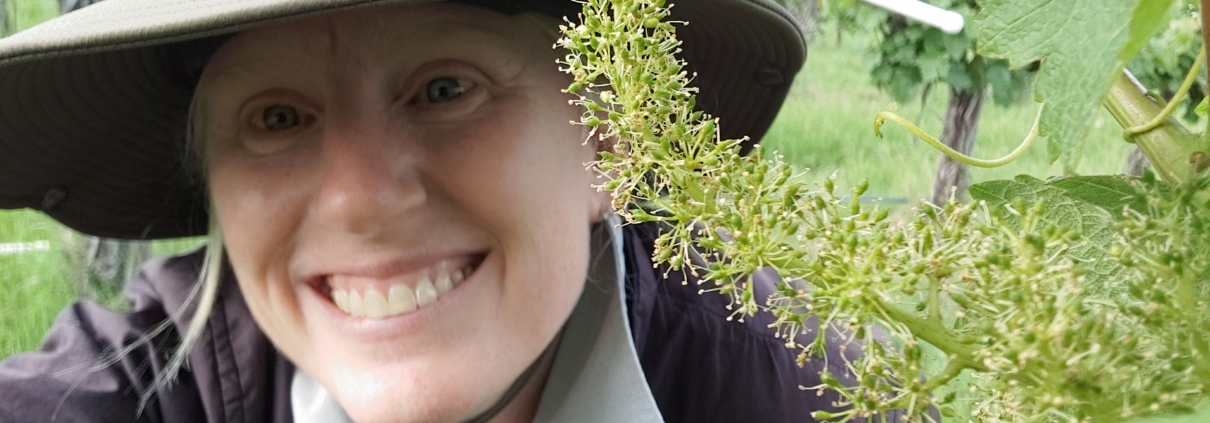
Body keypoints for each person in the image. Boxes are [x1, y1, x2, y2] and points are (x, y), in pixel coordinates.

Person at [0, 1, 895, 422]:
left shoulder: (805, 397)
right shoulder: (168, 383)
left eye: (444, 88)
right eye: (277, 118)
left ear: (610, 139)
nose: (359, 197)